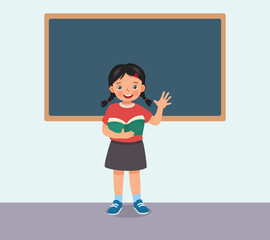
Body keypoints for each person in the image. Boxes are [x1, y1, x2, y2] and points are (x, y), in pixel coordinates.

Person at [101, 63, 172, 215]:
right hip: (116, 145)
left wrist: (160, 108)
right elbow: (104, 129)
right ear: (113, 89)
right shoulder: (112, 109)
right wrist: (120, 135)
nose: (127, 91)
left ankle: (137, 200)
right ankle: (117, 200)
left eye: (134, 86)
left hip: (136, 146)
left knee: (135, 173)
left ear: (142, 88)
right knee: (118, 173)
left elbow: (155, 122)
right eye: (120, 87)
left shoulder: (140, 109)